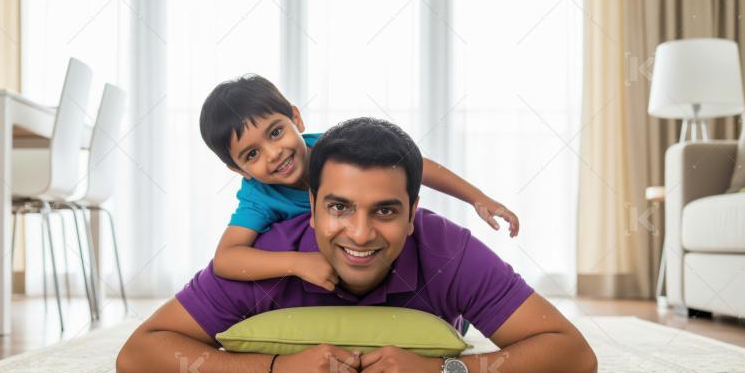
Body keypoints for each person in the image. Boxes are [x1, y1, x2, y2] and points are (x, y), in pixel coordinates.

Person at [116, 117, 597, 373]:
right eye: (339, 207)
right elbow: (139, 356)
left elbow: (573, 356)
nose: (360, 234)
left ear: (412, 213)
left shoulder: (448, 249)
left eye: (385, 211)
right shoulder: (267, 255)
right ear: (311, 207)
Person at [199, 74, 519, 291]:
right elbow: (226, 258)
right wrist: (297, 263)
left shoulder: (334, 149)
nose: (273, 154)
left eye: (275, 132)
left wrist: (477, 197)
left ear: (296, 119)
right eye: (252, 154)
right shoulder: (259, 197)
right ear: (239, 170)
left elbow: (412, 163)